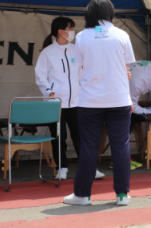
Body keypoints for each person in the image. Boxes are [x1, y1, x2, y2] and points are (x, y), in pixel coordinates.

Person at [63, 0, 136, 207]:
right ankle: (122, 194)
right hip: (119, 99)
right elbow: (127, 66)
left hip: (90, 101)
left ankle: (82, 195)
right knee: (120, 146)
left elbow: (80, 67)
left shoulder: (82, 37)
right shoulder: (122, 34)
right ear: (110, 13)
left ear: (89, 14)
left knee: (89, 147)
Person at [35, 17, 105, 181]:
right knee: (59, 137)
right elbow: (40, 76)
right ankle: (62, 168)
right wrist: (49, 91)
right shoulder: (47, 53)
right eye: (70, 29)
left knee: (81, 136)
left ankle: (89, 168)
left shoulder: (77, 50)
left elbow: (84, 73)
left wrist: (86, 93)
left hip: (77, 102)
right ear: (61, 31)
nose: (73, 32)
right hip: (55, 104)